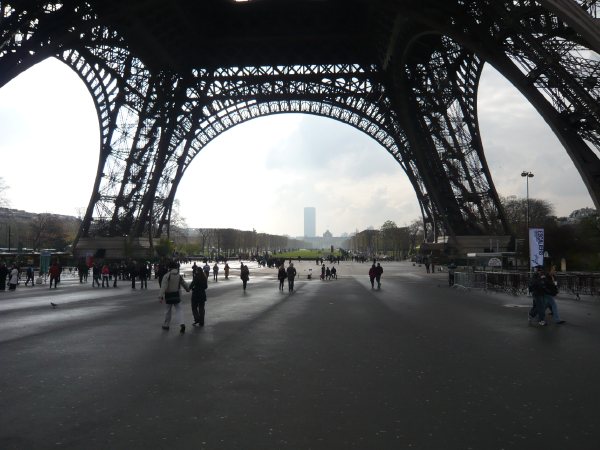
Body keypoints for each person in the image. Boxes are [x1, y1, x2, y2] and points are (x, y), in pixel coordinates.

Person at [158, 261, 190, 333]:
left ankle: (166, 325)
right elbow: (184, 283)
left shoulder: (167, 275)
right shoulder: (178, 275)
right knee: (179, 310)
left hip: (169, 296)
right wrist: (188, 289)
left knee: (168, 311)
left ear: (169, 267)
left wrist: (160, 296)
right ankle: (182, 323)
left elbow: (163, 286)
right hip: (177, 295)